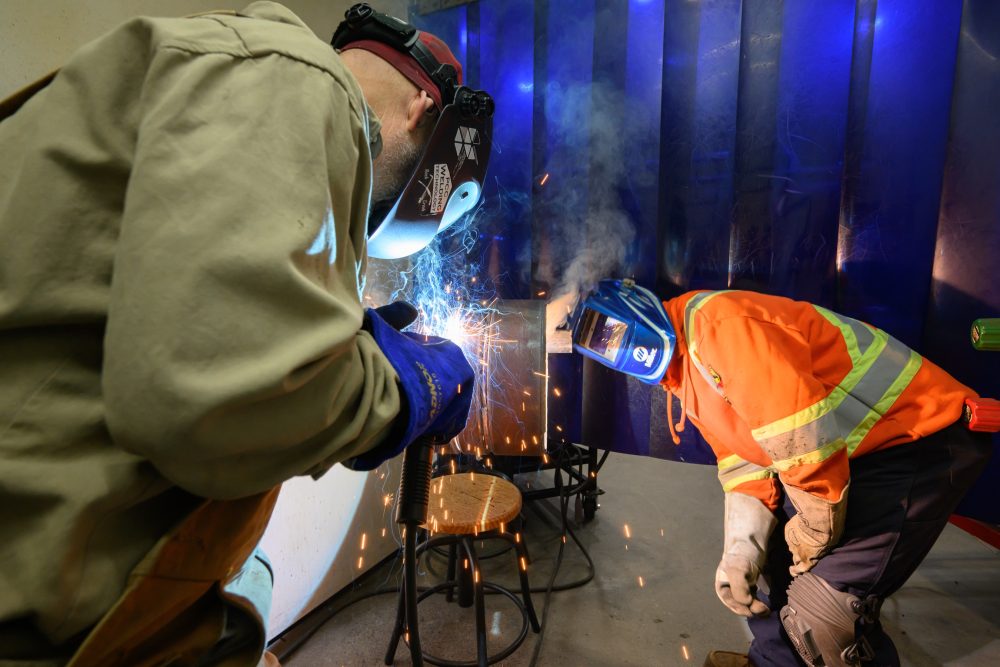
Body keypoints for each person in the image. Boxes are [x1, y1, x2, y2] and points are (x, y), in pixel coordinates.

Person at [0, 3, 482, 665]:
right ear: (423, 111)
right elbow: (220, 395)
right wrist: (404, 388)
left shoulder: (256, 91)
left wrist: (332, 335)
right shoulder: (301, 80)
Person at [573, 281, 992, 666]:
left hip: (919, 439)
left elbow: (805, 446)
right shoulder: (683, 371)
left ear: (633, 305)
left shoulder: (720, 328)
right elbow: (744, 458)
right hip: (853, 451)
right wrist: (742, 550)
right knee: (775, 566)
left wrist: (812, 539)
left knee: (826, 612)